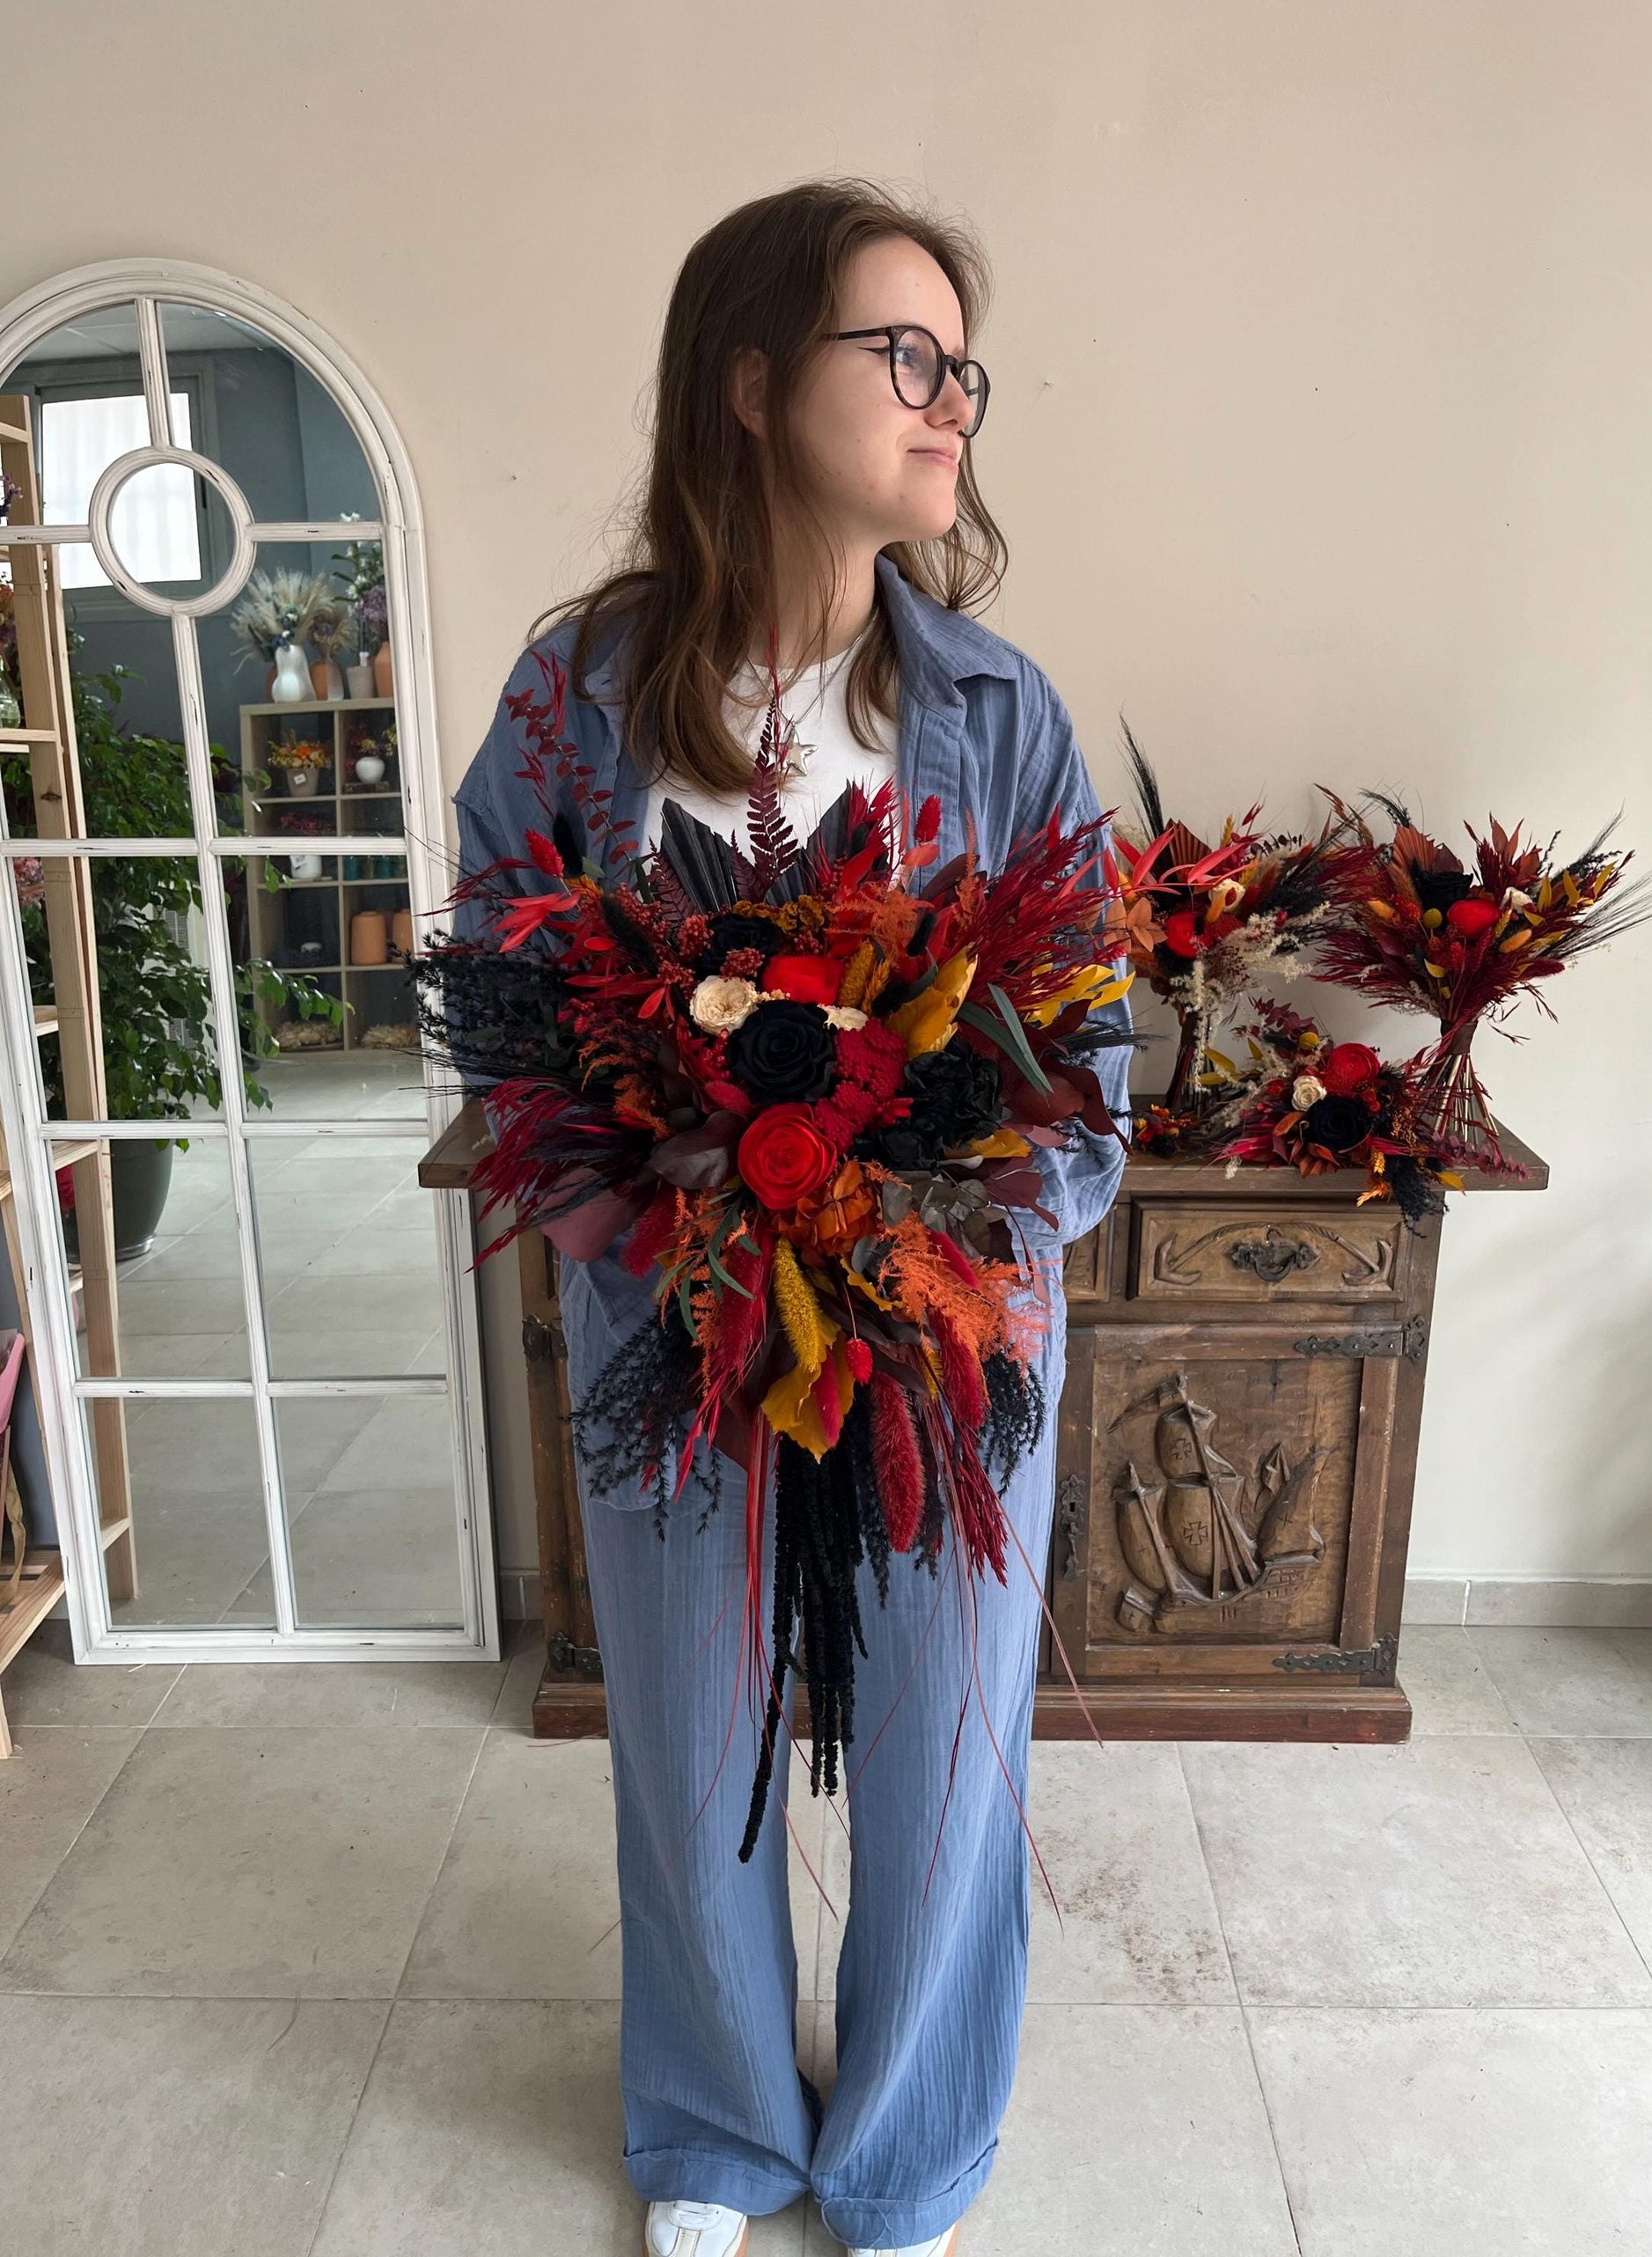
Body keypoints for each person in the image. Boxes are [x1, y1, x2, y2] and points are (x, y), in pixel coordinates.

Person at [447, 178, 1130, 2257]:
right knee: (688, 1725)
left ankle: (909, 2144)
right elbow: (499, 997)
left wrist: (961, 1205)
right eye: (898, 356)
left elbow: (1081, 1049)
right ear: (751, 383)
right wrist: (622, 1214)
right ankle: (719, 2128)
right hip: (676, 1316)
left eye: (962, 369)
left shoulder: (995, 711)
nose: (947, 407)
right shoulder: (581, 698)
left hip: (942, 1330)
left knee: (938, 1740)